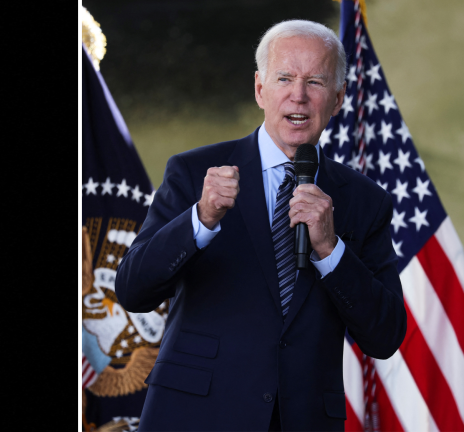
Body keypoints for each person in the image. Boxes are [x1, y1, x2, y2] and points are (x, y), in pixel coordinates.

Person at [115, 20, 406, 431]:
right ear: (259, 89)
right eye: (284, 77)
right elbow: (132, 290)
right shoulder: (194, 172)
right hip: (193, 416)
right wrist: (200, 219)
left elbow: (386, 335)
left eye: (316, 82)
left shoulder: (365, 200)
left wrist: (330, 249)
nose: (298, 95)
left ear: (338, 98)